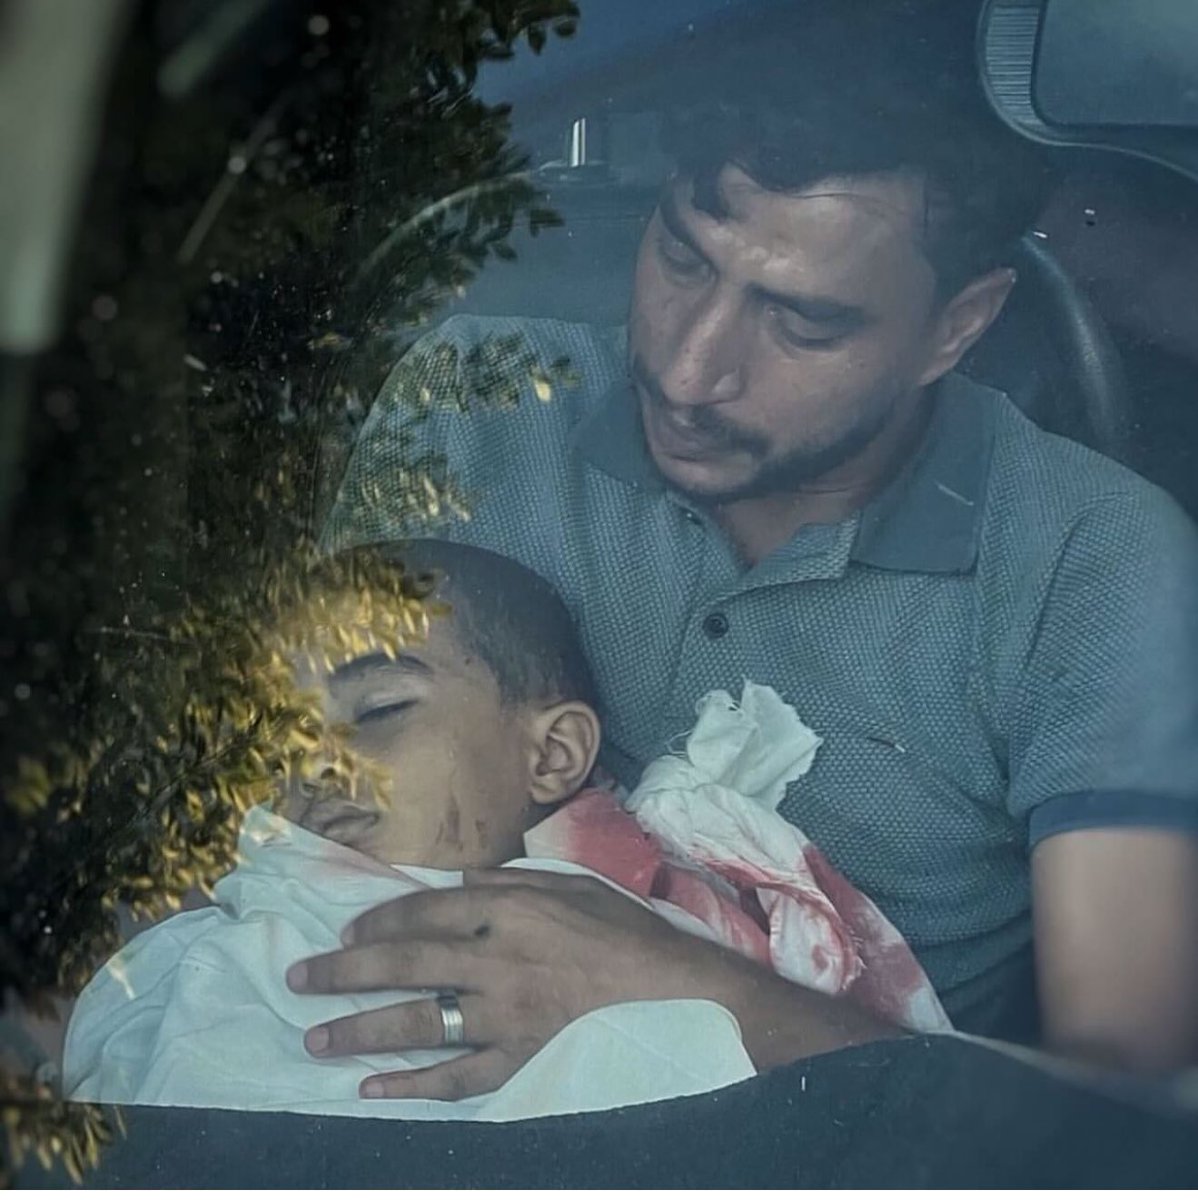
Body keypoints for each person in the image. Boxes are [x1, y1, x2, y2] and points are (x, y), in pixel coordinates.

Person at [308, 3, 1198, 1095]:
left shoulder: (1092, 567)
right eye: (682, 258)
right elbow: (295, 767)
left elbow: (1122, 1095)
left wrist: (681, 990)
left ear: (956, 327)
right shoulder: (474, 400)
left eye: (803, 324)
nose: (687, 370)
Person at [64, 539, 943, 1115]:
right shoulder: (221, 932)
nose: (312, 764)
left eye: (378, 709)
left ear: (554, 755)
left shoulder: (633, 938)